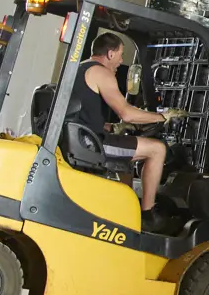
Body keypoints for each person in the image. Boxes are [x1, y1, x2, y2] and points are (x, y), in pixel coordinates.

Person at [71, 32, 181, 231]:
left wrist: (113, 127)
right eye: (121, 55)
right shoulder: (101, 72)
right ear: (111, 54)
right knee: (157, 149)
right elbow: (126, 113)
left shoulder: (80, 68)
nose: (121, 61)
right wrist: (162, 117)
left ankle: (123, 209)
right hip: (93, 144)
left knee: (127, 144)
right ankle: (148, 215)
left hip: (83, 137)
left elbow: (83, 113)